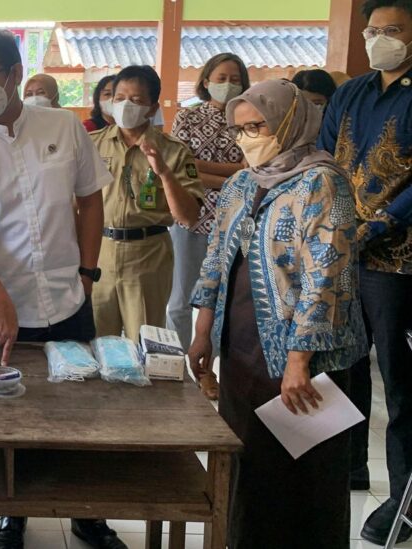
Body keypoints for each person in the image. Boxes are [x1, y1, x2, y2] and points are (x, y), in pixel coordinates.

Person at [0, 28, 123, 549]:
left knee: (80, 407)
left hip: (68, 294)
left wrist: (87, 274)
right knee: (5, 412)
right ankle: (10, 514)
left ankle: (89, 515)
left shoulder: (63, 127)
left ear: (15, 74)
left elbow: (91, 201)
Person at [189, 79, 365, 549]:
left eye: (259, 125)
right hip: (242, 346)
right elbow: (215, 260)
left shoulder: (323, 182)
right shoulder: (242, 182)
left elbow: (327, 278)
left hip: (303, 355)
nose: (249, 137)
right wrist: (203, 330)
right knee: (245, 461)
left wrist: (298, 361)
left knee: (301, 473)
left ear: (290, 121)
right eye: (241, 128)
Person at [318, 0, 412, 543]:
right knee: (340, 367)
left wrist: (382, 224)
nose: (380, 40)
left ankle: (403, 501)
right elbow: (327, 160)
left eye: (392, 30)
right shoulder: (351, 92)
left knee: (399, 383)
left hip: (398, 262)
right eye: (372, 30)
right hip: (343, 253)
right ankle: (343, 471)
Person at [90, 65, 204, 340]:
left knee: (143, 342)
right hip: (99, 253)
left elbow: (188, 217)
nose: (125, 105)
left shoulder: (173, 151)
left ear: (152, 108)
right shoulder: (92, 145)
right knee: (95, 341)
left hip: (148, 255)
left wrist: (163, 171)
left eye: (137, 100)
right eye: (119, 98)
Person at [168, 53, 249, 400]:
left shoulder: (248, 118)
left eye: (235, 78)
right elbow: (179, 167)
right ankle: (177, 368)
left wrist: (202, 170)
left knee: (220, 300)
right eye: (221, 76)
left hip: (234, 220)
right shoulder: (186, 117)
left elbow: (250, 170)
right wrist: (228, 174)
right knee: (181, 299)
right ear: (204, 80)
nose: (228, 83)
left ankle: (207, 371)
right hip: (190, 215)